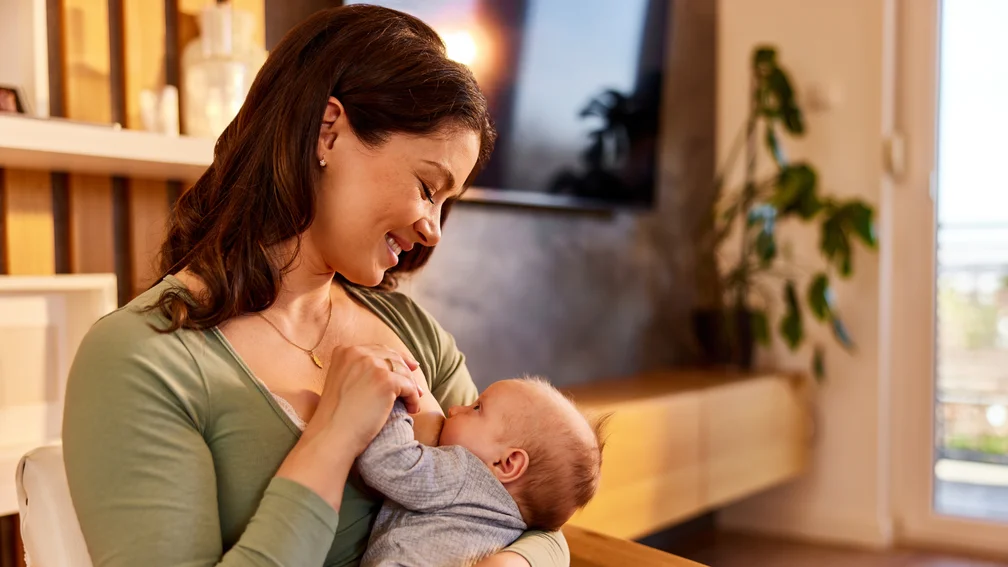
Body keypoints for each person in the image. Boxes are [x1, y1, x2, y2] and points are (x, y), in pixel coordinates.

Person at [61, 5, 568, 567]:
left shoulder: (413, 333)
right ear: (328, 131)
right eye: (428, 187)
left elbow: (529, 515)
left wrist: (513, 564)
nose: (433, 229)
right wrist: (333, 436)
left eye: (447, 205)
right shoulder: (142, 359)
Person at [357, 377, 607, 567]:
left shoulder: (466, 473)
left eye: (476, 408)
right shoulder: (511, 527)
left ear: (507, 464)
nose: (454, 409)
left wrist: (392, 399)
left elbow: (387, 462)